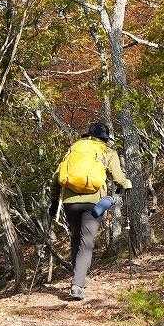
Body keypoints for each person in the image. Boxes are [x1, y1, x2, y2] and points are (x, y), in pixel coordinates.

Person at [49, 122, 130, 300]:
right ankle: (77, 285)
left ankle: (79, 278)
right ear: (105, 138)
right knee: (86, 242)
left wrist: (54, 202)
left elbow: (56, 176)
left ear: (89, 135)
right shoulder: (107, 151)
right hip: (94, 202)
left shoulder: (74, 149)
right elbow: (118, 178)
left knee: (76, 238)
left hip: (70, 202)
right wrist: (127, 184)